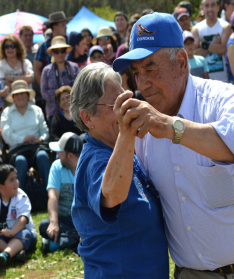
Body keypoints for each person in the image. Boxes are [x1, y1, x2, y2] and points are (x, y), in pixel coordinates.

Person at [112, 12, 234, 279]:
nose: (143, 83)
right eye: (136, 72)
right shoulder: (143, 129)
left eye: (150, 68)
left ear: (182, 62)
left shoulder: (224, 97)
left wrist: (170, 127)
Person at [69, 63, 169, 278]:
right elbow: (113, 194)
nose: (128, 107)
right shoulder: (94, 160)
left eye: (127, 97)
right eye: (117, 104)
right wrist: (127, 131)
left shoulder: (121, 150)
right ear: (88, 118)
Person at [0, 80, 50, 190]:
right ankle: (20, 199)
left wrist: (41, 139)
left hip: (36, 147)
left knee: (43, 156)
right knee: (20, 161)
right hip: (17, 150)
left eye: (22, 93)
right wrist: (23, 139)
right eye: (16, 94)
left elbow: (45, 131)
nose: (20, 97)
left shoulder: (37, 110)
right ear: (13, 98)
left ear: (28, 96)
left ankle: (50, 196)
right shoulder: (7, 112)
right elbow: (6, 135)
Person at [0, 164, 37, 266]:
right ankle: (14, 254)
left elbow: (23, 220)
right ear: (1, 186)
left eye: (16, 178)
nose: (16, 183)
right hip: (3, 237)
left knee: (25, 233)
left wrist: (12, 231)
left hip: (21, 236)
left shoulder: (21, 196)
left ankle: (5, 255)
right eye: (11, 180)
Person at [39, 133, 82, 253]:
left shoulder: (86, 167)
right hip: (64, 220)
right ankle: (76, 240)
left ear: (70, 155)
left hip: (83, 219)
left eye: (60, 152)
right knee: (44, 226)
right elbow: (52, 196)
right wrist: (54, 223)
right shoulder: (56, 166)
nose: (57, 154)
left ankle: (58, 243)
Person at [192, 0, 231, 82]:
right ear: (202, 8)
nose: (210, 9)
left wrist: (203, 45)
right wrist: (214, 45)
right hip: (204, 81)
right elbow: (194, 53)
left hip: (224, 80)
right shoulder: (196, 29)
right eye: (207, 6)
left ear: (218, 7)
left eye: (213, 5)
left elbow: (223, 49)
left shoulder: (225, 26)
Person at [41, 36, 80, 123]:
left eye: (62, 50)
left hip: (73, 114)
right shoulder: (46, 70)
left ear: (66, 51)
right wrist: (61, 93)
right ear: (52, 53)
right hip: (54, 114)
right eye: (56, 51)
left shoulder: (74, 67)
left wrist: (68, 94)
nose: (60, 54)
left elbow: (80, 88)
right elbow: (44, 93)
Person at [34, 11, 70, 87]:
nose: (66, 27)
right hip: (52, 93)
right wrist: (44, 88)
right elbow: (36, 69)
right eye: (63, 25)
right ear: (54, 27)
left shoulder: (70, 41)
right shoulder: (44, 46)